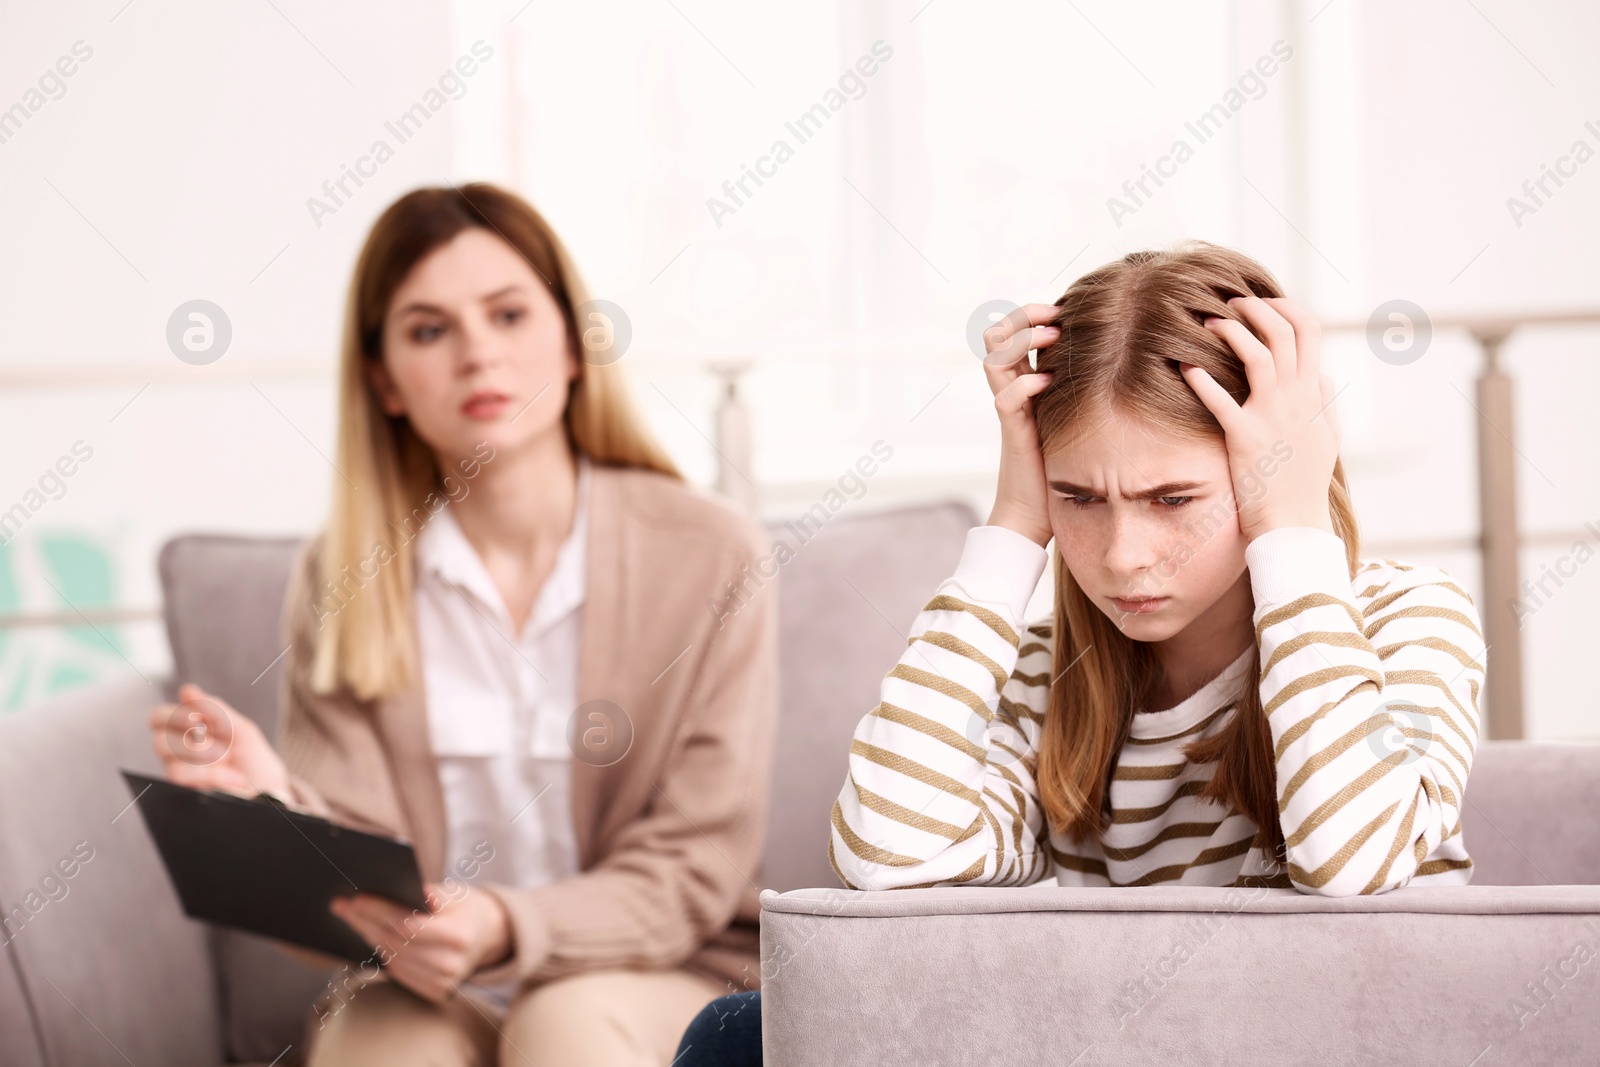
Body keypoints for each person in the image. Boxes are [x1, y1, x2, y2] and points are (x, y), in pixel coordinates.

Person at [673, 242, 1484, 1063]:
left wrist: (1294, 528)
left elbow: (1352, 861)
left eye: (1175, 500)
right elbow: (887, 854)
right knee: (735, 1037)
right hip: (1134, 1042)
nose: (1124, 553)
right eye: (1080, 497)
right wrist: (1015, 524)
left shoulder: (1406, 616)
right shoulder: (1047, 673)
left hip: (1326, 1039)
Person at [149, 182, 778, 1067]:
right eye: (430, 329)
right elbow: (355, 885)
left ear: (570, 342)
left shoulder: (713, 553)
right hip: (423, 981)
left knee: (564, 1024)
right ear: (386, 381)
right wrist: (273, 809)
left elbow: (693, 865)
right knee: (381, 1044)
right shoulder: (343, 575)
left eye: (509, 314)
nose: (479, 353)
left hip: (656, 966)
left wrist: (506, 923)